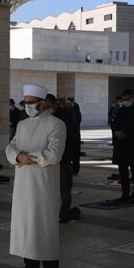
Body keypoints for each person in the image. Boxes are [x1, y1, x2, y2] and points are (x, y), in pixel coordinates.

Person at [6, 84, 66, 268]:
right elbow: (11, 147)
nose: (28, 106)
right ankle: (30, 265)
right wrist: (18, 156)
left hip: (43, 184)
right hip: (23, 182)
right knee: (25, 224)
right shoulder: (22, 124)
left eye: (31, 103)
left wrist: (27, 159)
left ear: (43, 103)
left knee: (43, 223)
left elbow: (54, 154)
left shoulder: (56, 124)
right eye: (26, 103)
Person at [111, 89, 134, 202]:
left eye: (127, 99)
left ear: (133, 98)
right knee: (123, 172)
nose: (126, 102)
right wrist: (116, 132)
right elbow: (114, 123)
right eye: (124, 100)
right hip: (122, 146)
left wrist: (126, 133)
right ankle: (125, 194)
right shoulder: (121, 110)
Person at [49, 94, 79, 224]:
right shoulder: (46, 116)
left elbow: (69, 136)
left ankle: (65, 213)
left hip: (63, 158)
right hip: (50, 158)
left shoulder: (65, 116)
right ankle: (53, 212)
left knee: (64, 188)